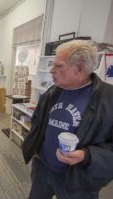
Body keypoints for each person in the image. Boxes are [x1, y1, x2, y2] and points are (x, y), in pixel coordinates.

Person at [22, 39, 113, 199]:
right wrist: (35, 144)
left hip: (78, 180)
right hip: (42, 169)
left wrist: (86, 155)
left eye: (58, 66)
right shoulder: (53, 91)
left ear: (79, 69)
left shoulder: (108, 99)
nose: (51, 70)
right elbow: (37, 120)